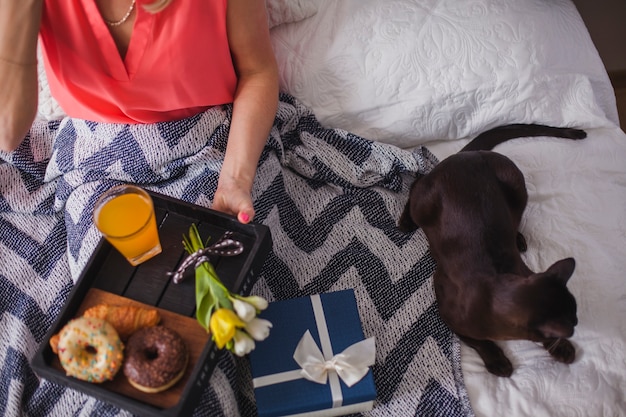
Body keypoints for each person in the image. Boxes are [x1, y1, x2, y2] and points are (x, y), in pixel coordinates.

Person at [0, 0, 279, 224]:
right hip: (95, 165)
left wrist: (235, 181)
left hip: (217, 148)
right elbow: (8, 133)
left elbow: (256, 71)